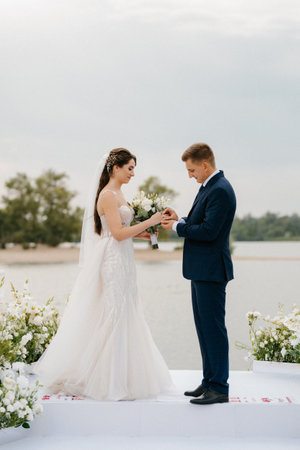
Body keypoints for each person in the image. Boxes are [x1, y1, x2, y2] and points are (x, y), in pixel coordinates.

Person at [34, 148, 172, 401]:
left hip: (123, 258)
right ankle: (105, 379)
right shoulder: (108, 195)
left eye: (134, 169)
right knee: (114, 311)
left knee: (126, 308)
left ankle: (125, 375)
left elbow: (121, 230)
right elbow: (117, 234)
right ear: (115, 168)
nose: (133, 173)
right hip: (112, 259)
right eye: (129, 168)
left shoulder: (119, 193)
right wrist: (150, 221)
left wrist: (145, 234)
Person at [161, 143, 236, 405]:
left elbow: (208, 232)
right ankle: (209, 382)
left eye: (192, 170)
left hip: (212, 271)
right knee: (204, 329)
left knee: (213, 329)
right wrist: (180, 220)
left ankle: (219, 387)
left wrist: (177, 229)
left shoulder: (221, 190)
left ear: (205, 165)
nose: (190, 175)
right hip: (201, 270)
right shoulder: (209, 187)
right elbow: (200, 224)